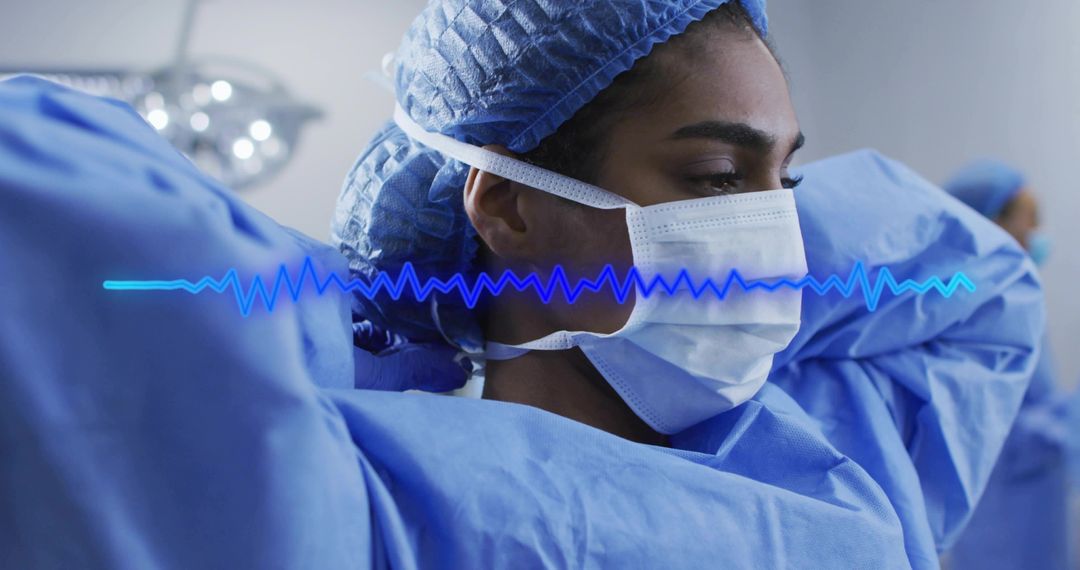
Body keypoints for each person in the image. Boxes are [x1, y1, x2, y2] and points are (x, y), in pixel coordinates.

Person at [0, 2, 1041, 568]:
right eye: (718, 179)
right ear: (505, 206)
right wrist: (351, 315)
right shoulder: (363, 491)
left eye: (788, 178)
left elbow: (982, 294)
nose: (773, 233)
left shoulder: (832, 446)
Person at [942, 160, 1072, 570]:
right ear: (992, 224)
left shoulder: (1016, 300)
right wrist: (1064, 424)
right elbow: (986, 419)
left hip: (1033, 491)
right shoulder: (977, 309)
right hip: (1002, 500)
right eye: (1026, 222)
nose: (1034, 235)